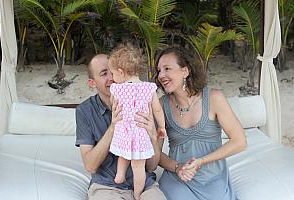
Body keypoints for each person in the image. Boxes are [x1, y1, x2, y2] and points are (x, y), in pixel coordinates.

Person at [155, 46, 247, 200]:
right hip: (177, 180)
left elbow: (240, 142)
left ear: (185, 71)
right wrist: (177, 168)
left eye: (167, 69)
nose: (161, 75)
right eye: (159, 70)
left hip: (213, 179)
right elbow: (155, 154)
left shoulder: (213, 98)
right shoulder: (161, 106)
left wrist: (201, 161)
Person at [75, 54, 166, 200]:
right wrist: (113, 126)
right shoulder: (85, 111)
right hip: (107, 186)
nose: (111, 77)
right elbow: (90, 166)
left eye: (113, 71)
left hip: (144, 185)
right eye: (104, 73)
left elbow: (151, 166)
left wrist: (153, 135)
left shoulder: (143, 101)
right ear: (92, 83)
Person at [108, 43, 166, 200]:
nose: (112, 78)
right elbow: (157, 110)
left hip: (124, 130)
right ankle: (138, 193)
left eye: (112, 73)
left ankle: (119, 175)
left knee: (123, 154)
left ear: (120, 72)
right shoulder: (149, 88)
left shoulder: (116, 89)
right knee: (138, 167)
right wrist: (161, 126)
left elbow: (114, 105)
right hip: (140, 132)